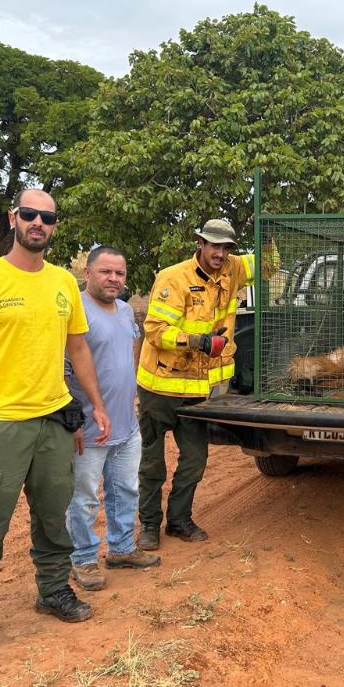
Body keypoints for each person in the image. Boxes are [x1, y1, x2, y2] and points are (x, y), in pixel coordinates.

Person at [0, 189, 111, 664]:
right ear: (15, 218)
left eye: (48, 217)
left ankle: (53, 591)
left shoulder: (62, 284)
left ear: (55, 225)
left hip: (55, 422)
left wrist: (94, 405)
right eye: (31, 214)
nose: (39, 223)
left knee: (53, 517)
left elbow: (78, 349)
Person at [136, 219, 277, 549]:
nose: (220, 253)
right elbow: (155, 331)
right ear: (200, 243)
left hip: (198, 393)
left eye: (226, 247)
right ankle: (149, 525)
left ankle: (179, 520)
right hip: (160, 388)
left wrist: (268, 226)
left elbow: (270, 265)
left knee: (195, 460)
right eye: (214, 245)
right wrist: (198, 341)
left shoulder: (235, 270)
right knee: (153, 462)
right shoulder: (174, 278)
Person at [65, 247, 160, 592]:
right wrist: (73, 418)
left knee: (125, 488)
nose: (113, 279)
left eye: (119, 273)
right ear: (87, 273)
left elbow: (131, 352)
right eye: (105, 272)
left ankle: (121, 549)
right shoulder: (75, 311)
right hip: (88, 428)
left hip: (125, 424)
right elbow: (63, 367)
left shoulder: (124, 311)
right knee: (85, 496)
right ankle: (83, 558)